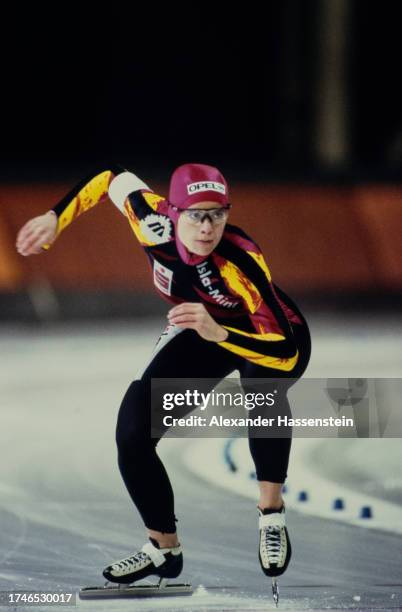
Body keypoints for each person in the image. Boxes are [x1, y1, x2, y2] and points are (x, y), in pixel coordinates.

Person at [16, 163, 311, 587]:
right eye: (196, 214)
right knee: (133, 433)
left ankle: (271, 515)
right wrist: (55, 217)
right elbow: (108, 179)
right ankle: (163, 548)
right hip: (200, 326)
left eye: (218, 214)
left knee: (261, 389)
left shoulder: (240, 259)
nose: (208, 227)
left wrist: (220, 332)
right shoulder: (148, 216)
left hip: (261, 334)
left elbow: (284, 352)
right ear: (172, 211)